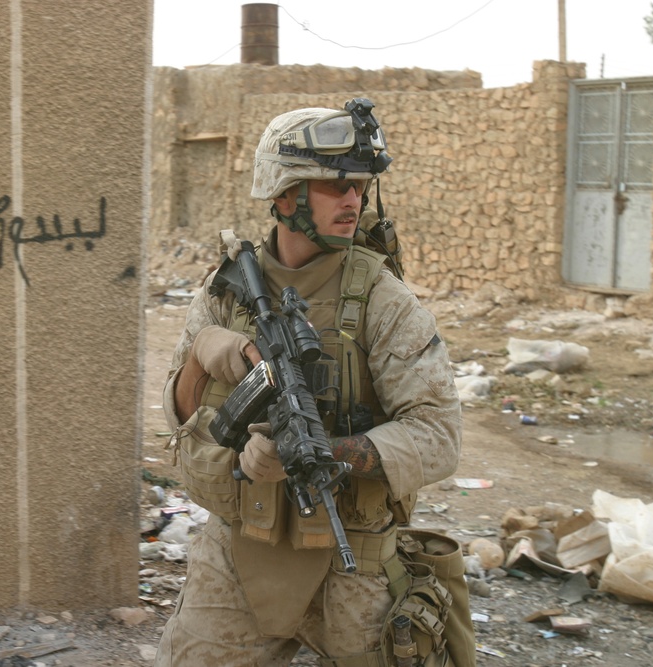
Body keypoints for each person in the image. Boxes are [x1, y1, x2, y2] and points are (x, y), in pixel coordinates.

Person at [155, 101, 466, 667]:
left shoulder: (382, 300)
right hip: (239, 552)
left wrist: (327, 454)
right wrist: (204, 354)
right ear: (283, 194)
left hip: (356, 565)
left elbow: (439, 436)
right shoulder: (225, 292)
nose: (353, 200)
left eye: (358, 187)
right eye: (333, 185)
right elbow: (177, 419)